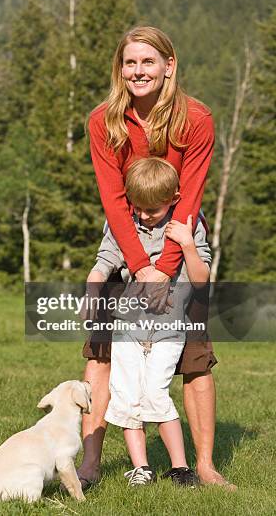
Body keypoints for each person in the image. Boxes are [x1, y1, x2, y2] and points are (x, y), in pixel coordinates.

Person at [78, 25, 235, 490]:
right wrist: (139, 267)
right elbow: (112, 199)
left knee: (193, 356)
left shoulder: (196, 118)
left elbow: (190, 198)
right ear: (120, 68)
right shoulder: (103, 120)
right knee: (102, 354)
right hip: (124, 239)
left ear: (169, 65)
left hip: (183, 239)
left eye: (148, 61)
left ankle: (202, 465)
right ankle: (90, 462)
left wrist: (165, 270)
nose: (138, 70)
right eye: (130, 62)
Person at [88, 157, 210, 487]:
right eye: (137, 208)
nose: (143, 216)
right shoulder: (127, 222)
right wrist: (91, 288)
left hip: (168, 330)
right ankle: (141, 468)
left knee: (156, 393)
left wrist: (186, 244)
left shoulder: (188, 225)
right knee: (126, 395)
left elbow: (201, 280)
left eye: (151, 211)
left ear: (173, 199)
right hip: (127, 326)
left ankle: (181, 467)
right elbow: (104, 262)